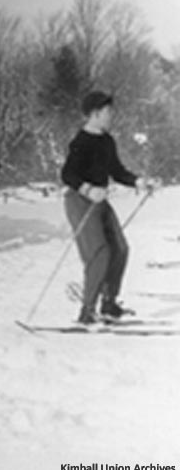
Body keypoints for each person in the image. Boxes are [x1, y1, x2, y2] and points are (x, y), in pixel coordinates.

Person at [61, 91, 153, 324]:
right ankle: (87, 310)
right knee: (100, 252)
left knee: (120, 248)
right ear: (94, 114)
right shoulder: (80, 141)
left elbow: (117, 171)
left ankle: (109, 303)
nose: (112, 115)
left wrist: (138, 181)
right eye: (108, 111)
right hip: (80, 200)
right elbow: (67, 174)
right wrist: (88, 189)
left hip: (100, 201)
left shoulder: (106, 141)